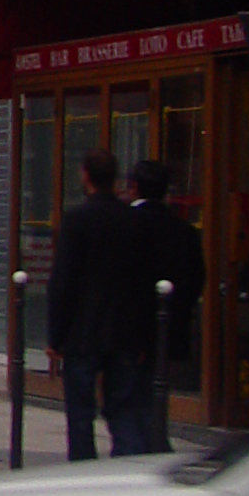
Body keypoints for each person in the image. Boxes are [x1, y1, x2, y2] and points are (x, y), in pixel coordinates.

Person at [46, 149, 153, 459]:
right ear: (116, 180)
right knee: (124, 409)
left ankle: (83, 476)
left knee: (80, 415)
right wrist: (144, 333)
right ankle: (128, 472)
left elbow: (63, 280)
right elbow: (145, 281)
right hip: (126, 331)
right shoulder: (134, 220)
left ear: (86, 176)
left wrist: (55, 336)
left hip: (83, 332)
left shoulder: (76, 219)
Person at [130, 158, 206, 431]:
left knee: (129, 401)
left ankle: (143, 446)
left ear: (133, 187)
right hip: (170, 327)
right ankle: (155, 437)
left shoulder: (126, 224)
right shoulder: (184, 231)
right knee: (157, 391)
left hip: (130, 331)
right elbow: (197, 278)